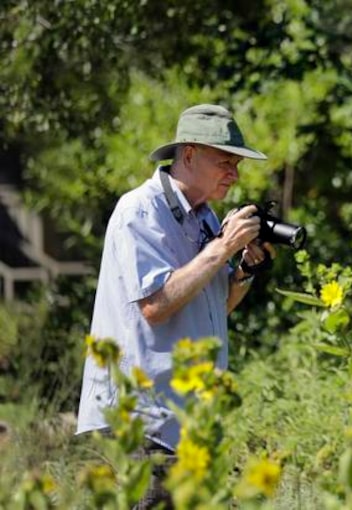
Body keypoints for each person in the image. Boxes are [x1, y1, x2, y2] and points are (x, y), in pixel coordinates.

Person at [76, 104, 272, 508]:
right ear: (188, 155)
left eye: (237, 164)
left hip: (187, 419)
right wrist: (222, 248)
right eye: (225, 162)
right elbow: (156, 305)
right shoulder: (140, 210)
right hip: (144, 418)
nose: (234, 174)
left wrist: (245, 269)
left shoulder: (203, 217)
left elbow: (213, 308)